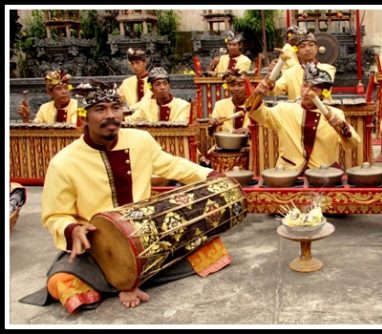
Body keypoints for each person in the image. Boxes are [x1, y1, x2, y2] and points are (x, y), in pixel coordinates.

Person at [19, 79, 229, 313]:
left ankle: (128, 279)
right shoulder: (63, 163)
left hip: (147, 235)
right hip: (100, 248)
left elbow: (172, 166)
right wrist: (73, 229)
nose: (111, 115)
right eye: (100, 109)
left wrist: (211, 174)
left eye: (115, 108)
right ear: (84, 117)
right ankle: (128, 279)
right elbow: (54, 215)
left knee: (213, 248)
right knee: (60, 282)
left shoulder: (140, 140)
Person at [250, 62, 360, 172]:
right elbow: (257, 113)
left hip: (324, 174)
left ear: (323, 93)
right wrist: (256, 94)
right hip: (289, 173)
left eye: (314, 89)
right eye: (305, 85)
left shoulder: (335, 114)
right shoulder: (284, 109)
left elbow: (352, 142)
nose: (306, 92)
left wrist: (342, 125)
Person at [270, 30, 336, 102]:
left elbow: (317, 80)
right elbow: (274, 90)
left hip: (322, 111)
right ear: (296, 52)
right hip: (297, 112)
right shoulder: (290, 73)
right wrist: (272, 76)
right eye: (302, 46)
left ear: (317, 48)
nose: (308, 49)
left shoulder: (328, 69)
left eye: (311, 45)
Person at [126, 67, 191, 123]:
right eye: (158, 84)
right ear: (151, 89)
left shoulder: (183, 106)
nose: (162, 87)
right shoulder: (147, 107)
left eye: (165, 83)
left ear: (169, 86)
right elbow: (129, 121)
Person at [208, 69, 252, 135]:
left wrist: (249, 130)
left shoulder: (255, 105)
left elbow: (262, 130)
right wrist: (213, 125)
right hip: (225, 143)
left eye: (240, 85)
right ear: (228, 88)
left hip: (251, 143)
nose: (236, 88)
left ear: (246, 87)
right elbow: (211, 133)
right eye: (232, 85)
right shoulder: (220, 105)